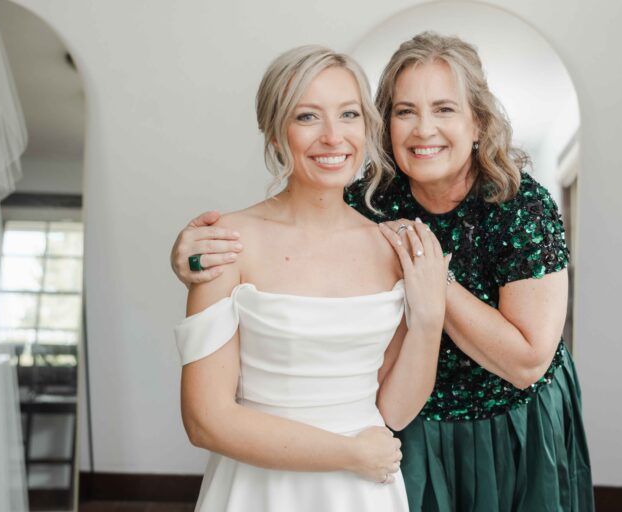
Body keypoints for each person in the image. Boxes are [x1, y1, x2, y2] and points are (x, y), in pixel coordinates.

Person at [172, 32, 594, 512]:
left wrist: (432, 280)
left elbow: (526, 362)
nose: (423, 129)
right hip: (400, 432)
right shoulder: (368, 201)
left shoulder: (519, 208)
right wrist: (187, 259)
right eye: (404, 111)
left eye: (444, 109)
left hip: (508, 419)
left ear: (478, 122)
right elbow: (299, 235)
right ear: (386, 125)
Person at [174, 44, 450, 512]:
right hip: (262, 487)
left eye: (348, 115)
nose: (333, 137)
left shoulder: (392, 248)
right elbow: (205, 421)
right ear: (275, 132)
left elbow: (395, 411)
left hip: (363, 493)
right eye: (307, 117)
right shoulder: (227, 243)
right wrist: (349, 454)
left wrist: (429, 317)